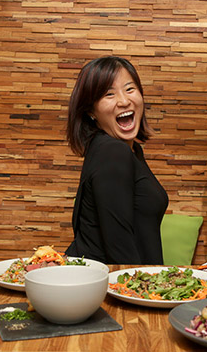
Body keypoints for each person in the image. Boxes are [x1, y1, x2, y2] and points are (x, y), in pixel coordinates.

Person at [65, 56, 168, 264]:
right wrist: (143, 284)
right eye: (109, 94)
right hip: (110, 280)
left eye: (130, 89)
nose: (123, 101)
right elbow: (119, 249)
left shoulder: (131, 150)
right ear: (91, 111)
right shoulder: (113, 152)